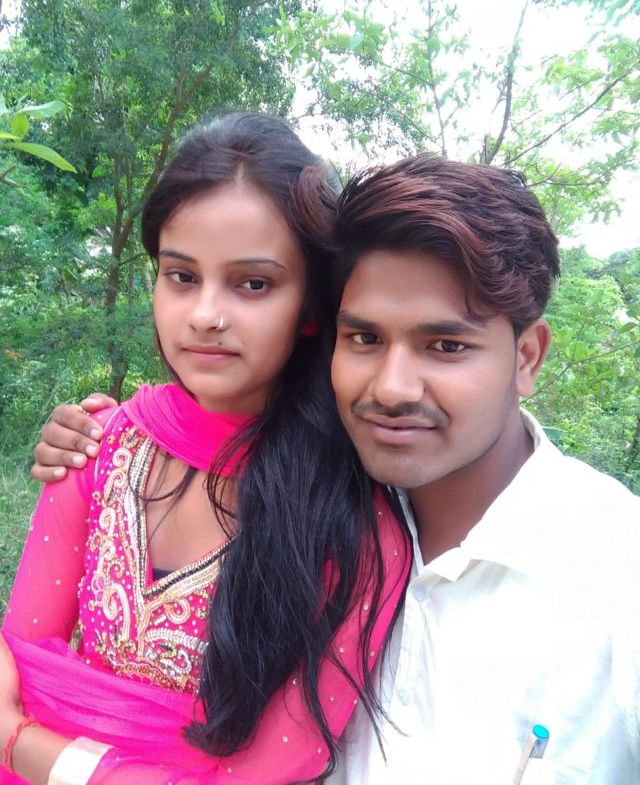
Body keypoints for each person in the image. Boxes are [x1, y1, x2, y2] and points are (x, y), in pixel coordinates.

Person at [35, 155, 640, 784]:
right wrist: (85, 438)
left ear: (527, 357)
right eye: (365, 339)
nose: (393, 387)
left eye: (446, 346)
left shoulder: (618, 583)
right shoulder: (314, 512)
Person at [0, 112, 411, 785]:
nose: (204, 315)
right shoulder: (99, 445)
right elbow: (17, 657)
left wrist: (33, 749)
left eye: (253, 283)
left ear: (313, 306)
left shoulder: (354, 527)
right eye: (182, 276)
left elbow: (272, 768)